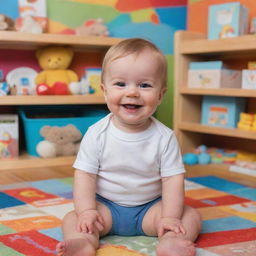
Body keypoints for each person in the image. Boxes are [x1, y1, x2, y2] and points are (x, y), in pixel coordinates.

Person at [56, 38, 201, 256]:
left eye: (144, 85)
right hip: (105, 209)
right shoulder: (97, 134)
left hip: (151, 210)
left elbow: (172, 179)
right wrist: (87, 211)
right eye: (121, 84)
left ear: (160, 95)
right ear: (105, 91)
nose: (132, 92)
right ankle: (83, 241)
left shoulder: (165, 137)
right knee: (73, 218)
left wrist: (169, 217)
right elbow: (85, 175)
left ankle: (171, 242)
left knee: (190, 216)